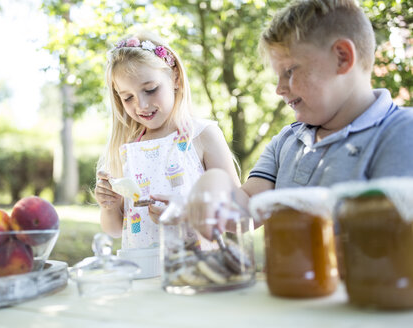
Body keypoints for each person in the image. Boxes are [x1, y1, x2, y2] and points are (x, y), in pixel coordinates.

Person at [189, 0, 413, 232]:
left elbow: (391, 238)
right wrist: (211, 186)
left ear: (342, 57)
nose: (279, 89)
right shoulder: (287, 140)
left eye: (290, 71)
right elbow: (245, 211)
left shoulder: (401, 132)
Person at [94, 31, 240, 249]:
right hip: (143, 273)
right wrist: (108, 206)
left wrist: (188, 212)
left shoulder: (202, 135)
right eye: (128, 97)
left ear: (175, 79)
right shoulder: (128, 149)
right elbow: (115, 229)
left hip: (197, 269)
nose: (141, 105)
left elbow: (237, 213)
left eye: (150, 89)